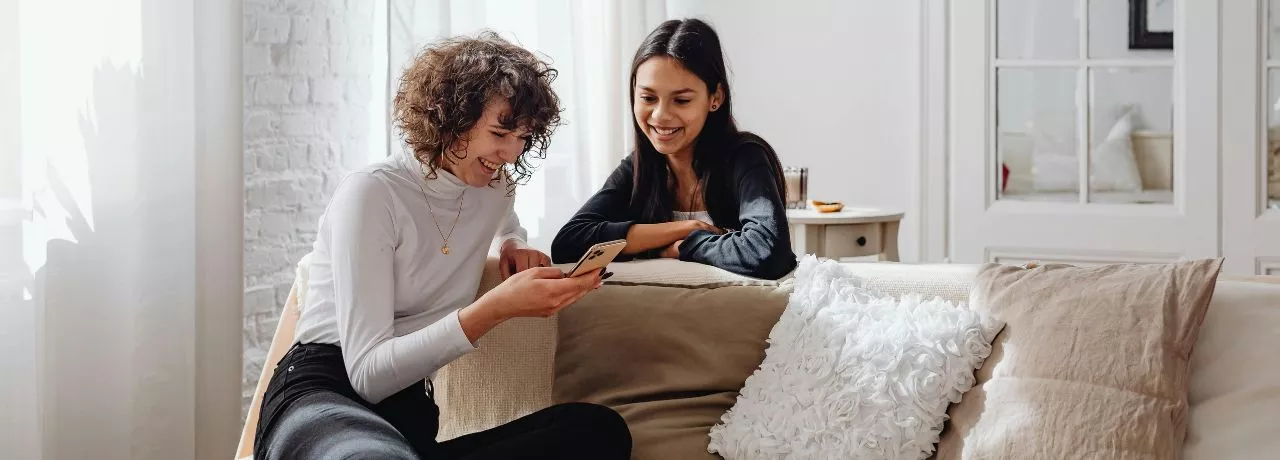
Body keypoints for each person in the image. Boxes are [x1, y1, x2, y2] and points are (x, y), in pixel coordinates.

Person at [254, 31, 632, 460]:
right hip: (326, 395)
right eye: (500, 132)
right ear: (451, 116)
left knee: (596, 432)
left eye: (524, 137)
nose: (511, 153)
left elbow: (504, 218)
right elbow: (368, 375)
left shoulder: (494, 187)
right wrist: (498, 306)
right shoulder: (372, 194)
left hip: (408, 420)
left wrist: (512, 242)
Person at [550, 18, 796, 280]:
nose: (660, 115)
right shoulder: (638, 167)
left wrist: (686, 246)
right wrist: (683, 229)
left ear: (715, 98)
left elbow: (768, 253)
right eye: (648, 98)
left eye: (681, 100)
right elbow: (568, 243)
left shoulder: (744, 157)